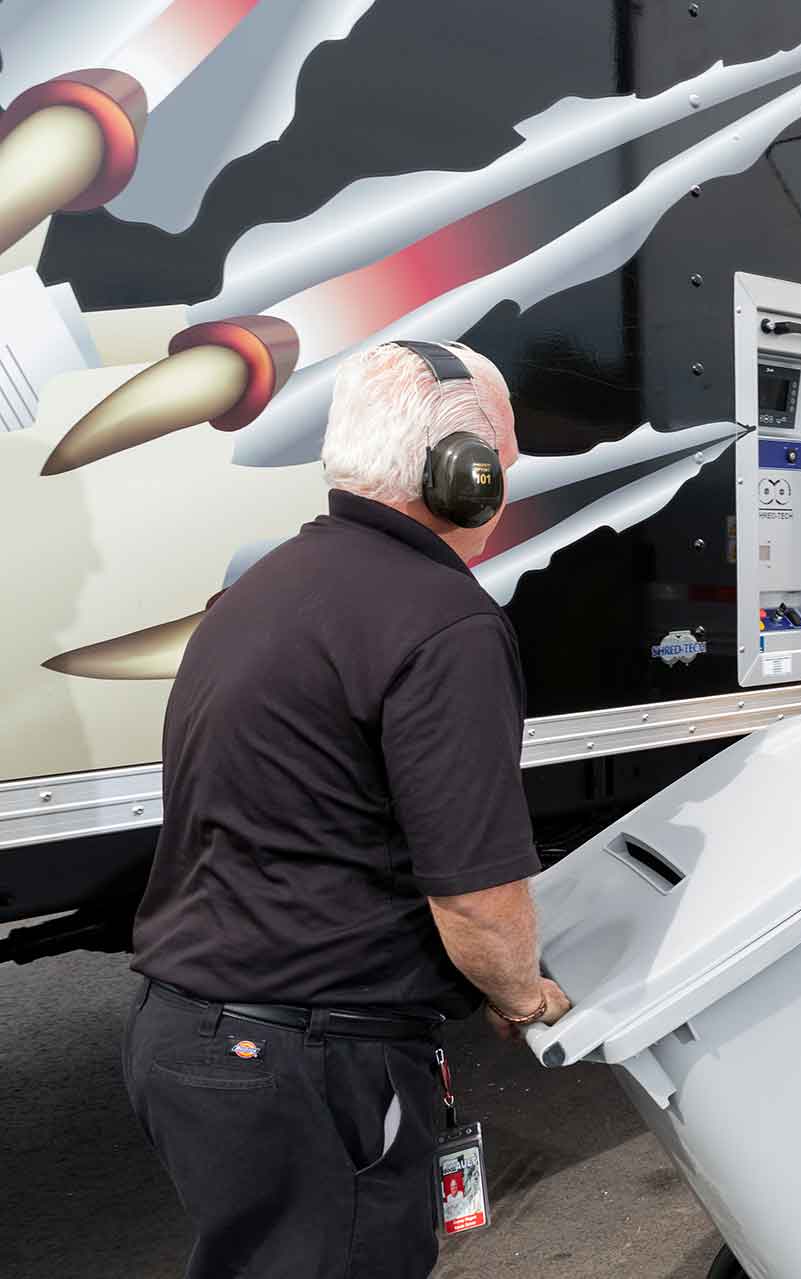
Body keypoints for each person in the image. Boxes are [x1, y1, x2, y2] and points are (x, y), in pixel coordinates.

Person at [122, 340, 570, 1278]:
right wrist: (520, 991)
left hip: (189, 1035)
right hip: (308, 1063)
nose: (510, 475)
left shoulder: (261, 585)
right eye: (504, 454)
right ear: (463, 474)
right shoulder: (444, 621)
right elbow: (476, 896)